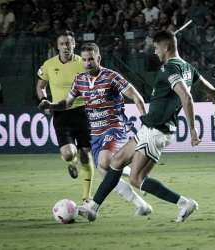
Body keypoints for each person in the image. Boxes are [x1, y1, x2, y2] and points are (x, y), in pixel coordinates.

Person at [76, 30, 215, 223]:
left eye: (156, 48)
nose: (155, 52)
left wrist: (193, 130)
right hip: (151, 128)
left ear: (166, 47)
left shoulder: (169, 69)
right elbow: (212, 90)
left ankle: (183, 202)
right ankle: (92, 208)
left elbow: (186, 96)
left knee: (136, 179)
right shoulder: (189, 69)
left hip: (157, 129)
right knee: (116, 162)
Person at [39, 42, 153, 216]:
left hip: (114, 127)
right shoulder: (80, 80)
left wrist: (145, 122)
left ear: (98, 58)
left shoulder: (112, 76)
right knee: (105, 172)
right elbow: (66, 103)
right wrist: (51, 105)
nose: (87, 63)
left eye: (91, 59)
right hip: (96, 132)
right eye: (84, 60)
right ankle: (141, 204)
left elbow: (136, 96)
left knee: (104, 162)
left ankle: (136, 177)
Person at [37, 30, 95, 204]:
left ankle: (87, 196)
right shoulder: (48, 65)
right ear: (57, 46)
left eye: (68, 43)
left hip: (83, 112)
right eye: (62, 44)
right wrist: (45, 101)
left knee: (86, 153)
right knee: (69, 154)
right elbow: (40, 86)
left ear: (74, 44)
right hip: (61, 113)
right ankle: (72, 162)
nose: (65, 47)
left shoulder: (82, 63)